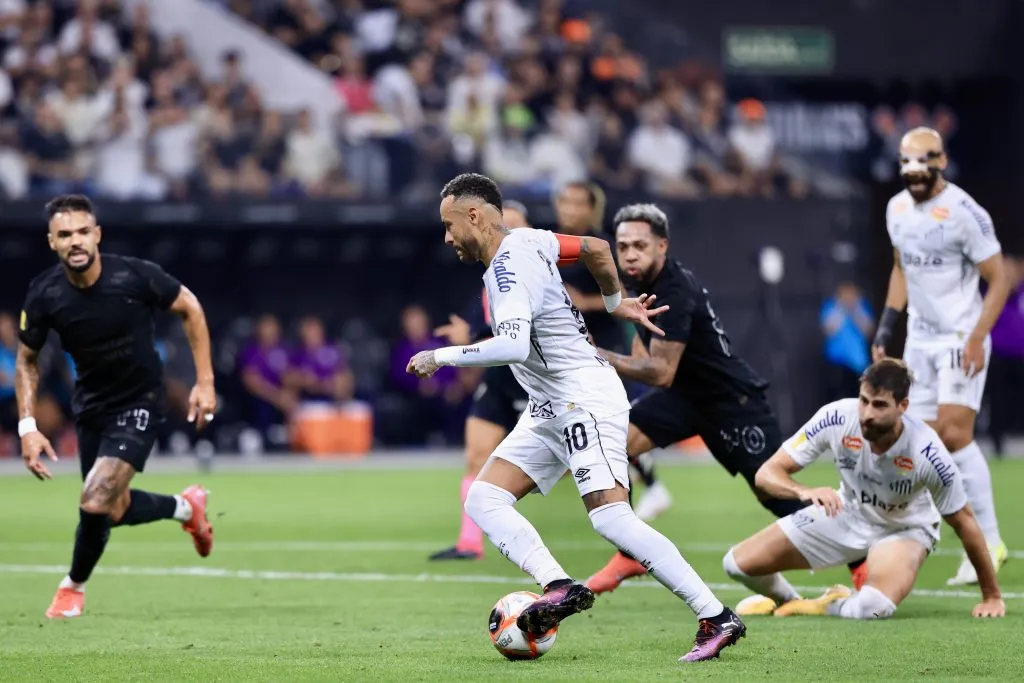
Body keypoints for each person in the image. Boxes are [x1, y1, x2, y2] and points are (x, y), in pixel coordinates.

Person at [407, 174, 746, 663]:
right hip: (550, 404)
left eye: (449, 224)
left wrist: (441, 357)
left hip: (583, 397)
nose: (447, 236)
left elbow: (513, 345)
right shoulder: (532, 239)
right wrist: (613, 301)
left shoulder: (506, 271)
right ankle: (560, 586)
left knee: (611, 518)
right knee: (484, 498)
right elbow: (595, 247)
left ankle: (715, 615)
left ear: (474, 216)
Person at [585, 203, 857, 595]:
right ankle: (631, 550)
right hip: (684, 399)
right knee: (611, 445)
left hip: (731, 402)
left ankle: (861, 557)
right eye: (623, 245)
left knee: (774, 493)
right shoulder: (638, 286)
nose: (629, 253)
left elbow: (661, 372)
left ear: (662, 246)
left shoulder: (675, 289)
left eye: (639, 245)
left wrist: (599, 355)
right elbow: (648, 358)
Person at [16, 195, 217, 620]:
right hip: (92, 407)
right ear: (51, 242)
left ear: (97, 235)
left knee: (94, 500)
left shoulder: (135, 276)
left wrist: (204, 381)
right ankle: (187, 507)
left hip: (141, 400)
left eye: (83, 232)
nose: (76, 241)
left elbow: (190, 307)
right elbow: (27, 360)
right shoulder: (44, 294)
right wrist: (27, 426)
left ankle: (72, 587)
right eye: (65, 234)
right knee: (114, 508)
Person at [723, 359, 1005, 621]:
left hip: (905, 529)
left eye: (880, 405)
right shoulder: (836, 417)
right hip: (847, 512)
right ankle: (787, 600)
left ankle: (828, 604)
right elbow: (766, 474)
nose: (867, 414)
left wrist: (992, 596)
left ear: (903, 406)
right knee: (736, 564)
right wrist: (803, 492)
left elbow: (965, 522)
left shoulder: (927, 452)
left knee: (872, 608)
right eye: (864, 401)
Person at [873, 127, 1010, 585]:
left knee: (952, 433)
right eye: (906, 161)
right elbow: (901, 269)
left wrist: (976, 338)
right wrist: (886, 328)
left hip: (959, 336)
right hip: (919, 341)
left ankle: (987, 540)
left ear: (942, 160)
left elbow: (1001, 277)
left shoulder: (964, 212)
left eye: (923, 160)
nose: (914, 170)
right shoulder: (896, 209)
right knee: (923, 438)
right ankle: (927, 531)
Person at [554, 181, 671, 521]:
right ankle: (641, 490)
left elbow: (622, 299)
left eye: (578, 203)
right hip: (567, 351)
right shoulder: (550, 242)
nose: (570, 209)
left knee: (613, 424)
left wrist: (584, 302)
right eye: (565, 201)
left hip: (604, 347)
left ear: (591, 209)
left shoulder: (597, 246)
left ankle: (642, 494)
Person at [429, 201, 533, 561]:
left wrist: (468, 340)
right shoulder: (491, 276)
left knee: (563, 465)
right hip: (500, 379)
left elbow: (519, 335)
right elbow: (487, 330)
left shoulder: (537, 272)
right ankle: (469, 543)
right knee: (475, 456)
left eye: (516, 226)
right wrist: (469, 333)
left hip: (534, 379)